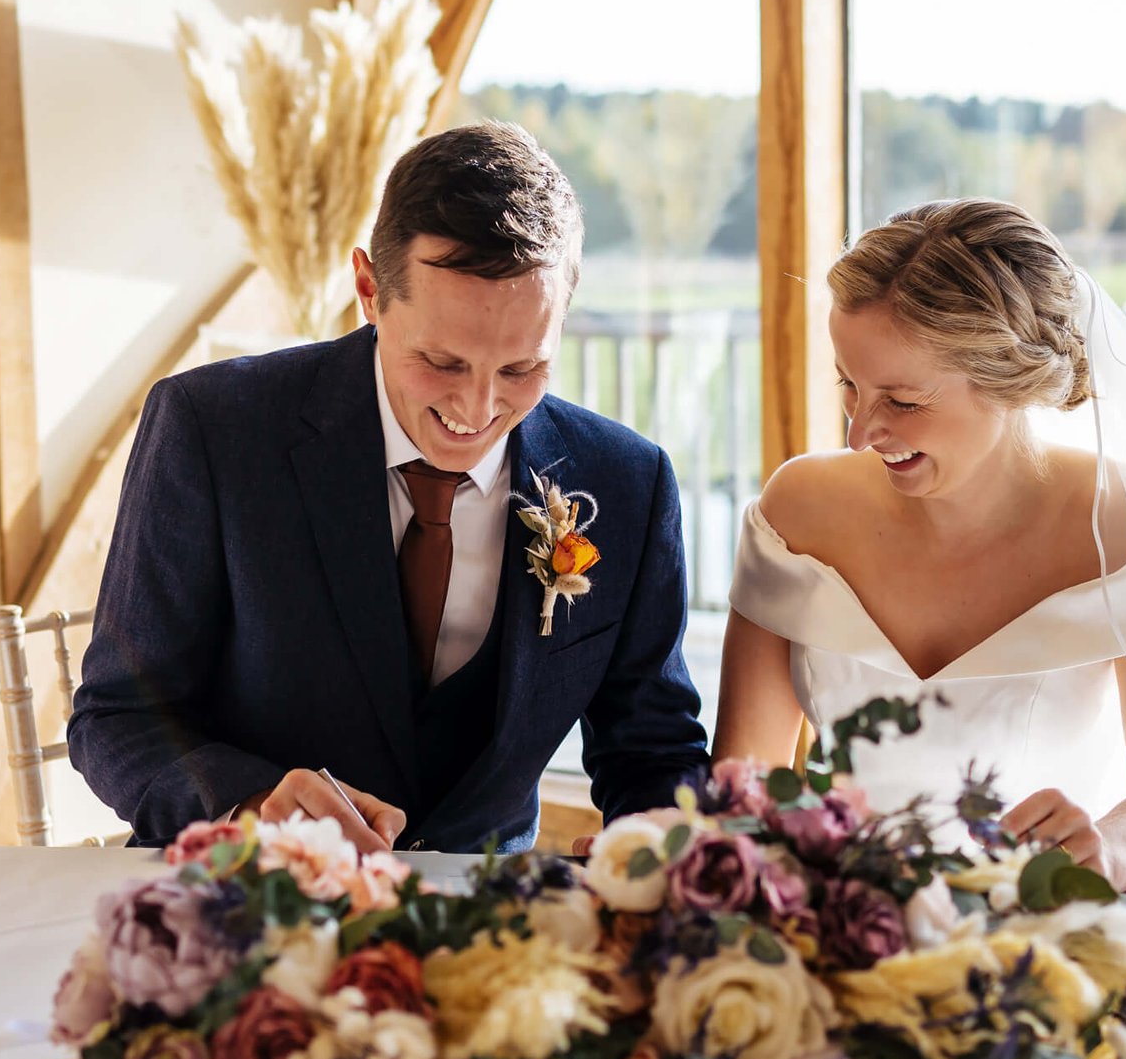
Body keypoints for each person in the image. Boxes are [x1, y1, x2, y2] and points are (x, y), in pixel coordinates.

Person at [70, 122, 709, 854]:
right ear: (370, 290)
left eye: (520, 369)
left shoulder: (627, 482)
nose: (476, 409)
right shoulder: (212, 430)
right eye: (440, 360)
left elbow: (654, 754)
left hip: (492, 931)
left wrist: (656, 848)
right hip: (250, 909)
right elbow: (117, 717)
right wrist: (247, 803)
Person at [714, 199, 1126, 886]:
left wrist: (1106, 848)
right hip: (835, 920)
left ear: (1010, 382)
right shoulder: (799, 511)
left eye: (902, 401)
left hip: (1038, 924)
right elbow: (739, 785)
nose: (859, 433)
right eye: (849, 384)